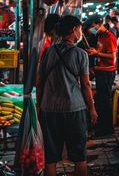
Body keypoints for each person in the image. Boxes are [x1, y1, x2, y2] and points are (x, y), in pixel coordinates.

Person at [36, 15, 97, 176]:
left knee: (50, 158)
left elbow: (39, 82)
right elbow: (85, 85)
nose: (81, 33)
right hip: (74, 109)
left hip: (49, 110)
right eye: (79, 29)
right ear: (73, 30)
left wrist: (39, 106)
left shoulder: (48, 52)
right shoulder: (80, 54)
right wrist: (92, 109)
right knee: (79, 157)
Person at [85, 15, 118, 136]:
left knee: (105, 101)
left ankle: (107, 128)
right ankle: (102, 125)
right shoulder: (99, 36)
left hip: (107, 72)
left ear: (99, 24)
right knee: (101, 100)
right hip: (100, 70)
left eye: (93, 27)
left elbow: (112, 57)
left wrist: (96, 53)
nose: (91, 29)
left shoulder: (109, 37)